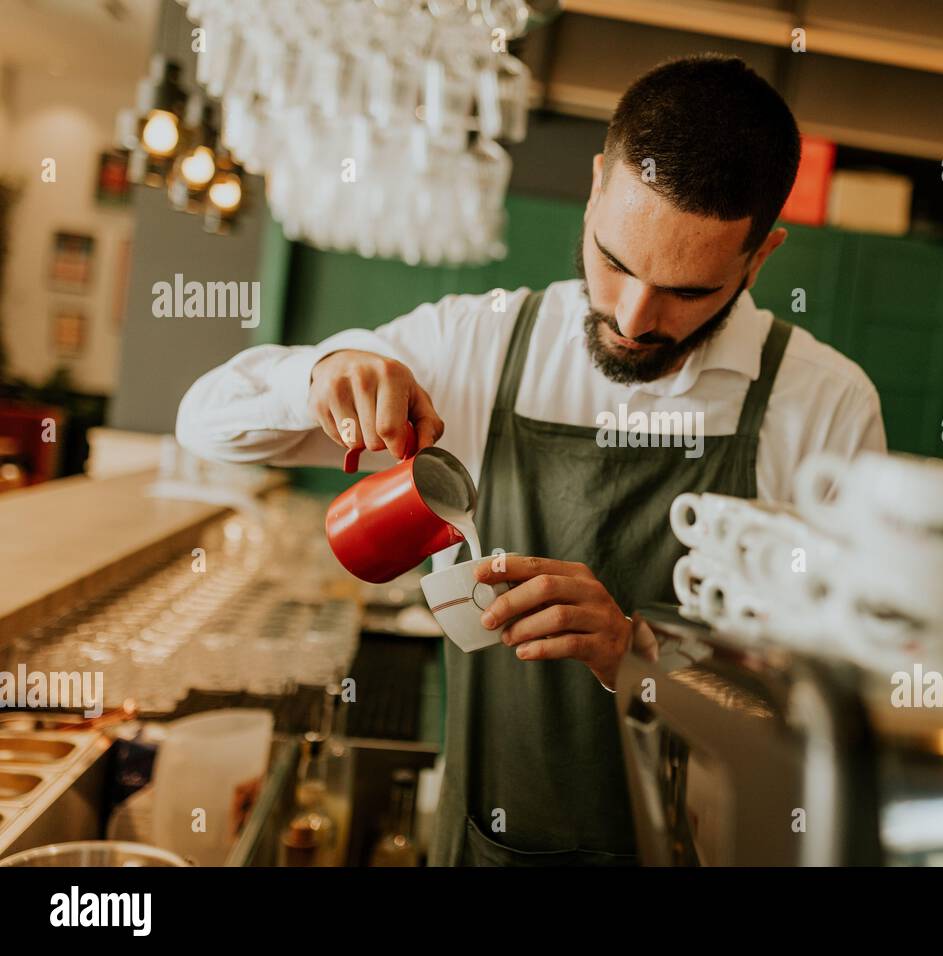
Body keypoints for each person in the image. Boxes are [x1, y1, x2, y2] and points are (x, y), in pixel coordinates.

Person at [176, 53, 886, 866]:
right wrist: (320, 376)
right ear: (593, 190)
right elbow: (205, 423)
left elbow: (834, 721)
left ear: (760, 259)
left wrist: (636, 659)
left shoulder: (824, 406)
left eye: (686, 291)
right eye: (614, 260)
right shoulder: (479, 345)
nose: (631, 315)